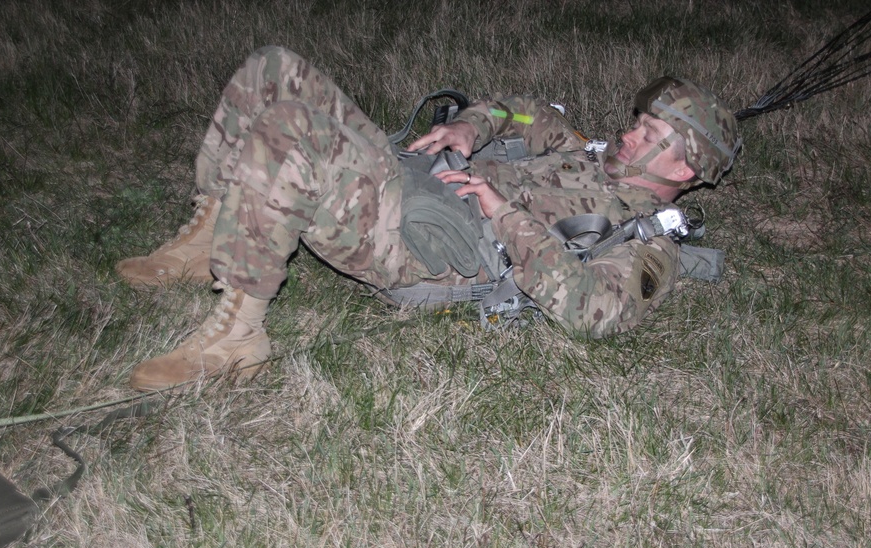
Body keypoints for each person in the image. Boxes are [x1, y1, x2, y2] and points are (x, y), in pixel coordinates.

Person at [116, 46, 740, 391]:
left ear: (683, 169)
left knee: (292, 133)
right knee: (273, 70)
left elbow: (593, 312)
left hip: (433, 243)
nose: (629, 135)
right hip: (421, 184)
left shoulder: (646, 242)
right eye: (637, 123)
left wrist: (505, 215)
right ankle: (210, 237)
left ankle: (239, 335)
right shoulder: (587, 152)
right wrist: (471, 125)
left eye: (648, 134)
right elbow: (522, 114)